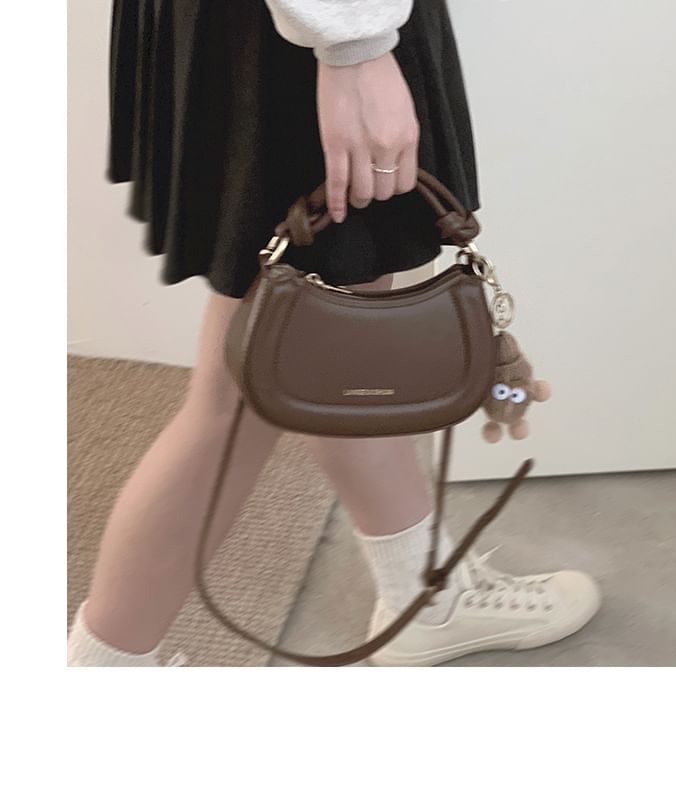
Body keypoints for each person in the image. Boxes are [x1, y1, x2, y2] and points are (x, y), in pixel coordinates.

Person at [67, 0, 601, 667]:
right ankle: (106, 667)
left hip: (298, 28)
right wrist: (355, 49)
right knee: (249, 389)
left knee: (339, 353)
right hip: (301, 40)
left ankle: (423, 597)